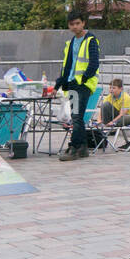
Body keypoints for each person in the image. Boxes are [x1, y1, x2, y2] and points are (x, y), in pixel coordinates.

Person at [54, 11, 100, 160]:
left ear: (83, 23)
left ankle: (74, 147)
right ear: (68, 25)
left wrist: (84, 78)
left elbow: (94, 64)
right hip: (73, 84)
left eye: (77, 23)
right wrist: (59, 84)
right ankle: (83, 148)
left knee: (77, 116)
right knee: (76, 117)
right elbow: (67, 66)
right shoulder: (71, 43)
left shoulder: (91, 40)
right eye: (72, 24)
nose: (75, 26)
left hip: (84, 85)